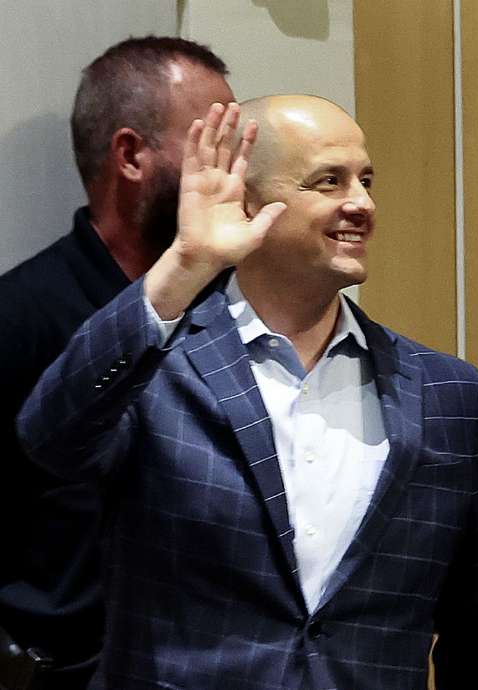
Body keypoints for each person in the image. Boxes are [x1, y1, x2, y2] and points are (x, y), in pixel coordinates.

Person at [17, 97, 478, 689]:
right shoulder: (155, 365)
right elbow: (48, 437)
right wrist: (183, 265)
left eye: (366, 180)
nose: (361, 203)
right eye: (329, 182)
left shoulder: (445, 391)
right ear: (247, 202)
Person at [0, 36, 233, 689]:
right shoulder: (20, 316)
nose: (233, 168)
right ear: (131, 155)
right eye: (211, 141)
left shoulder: (236, 306)